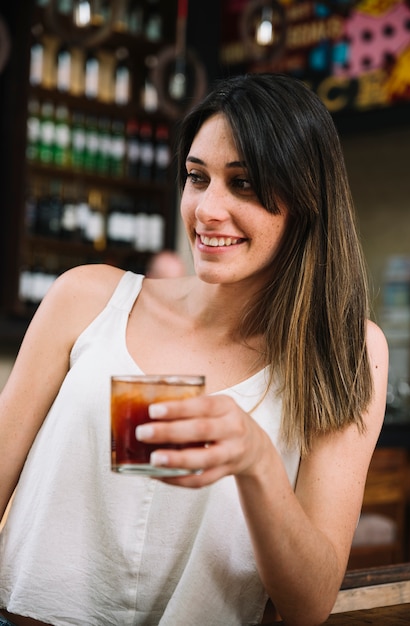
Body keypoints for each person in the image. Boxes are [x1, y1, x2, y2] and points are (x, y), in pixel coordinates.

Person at [0, 73, 388, 626]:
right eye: (197, 177)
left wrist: (256, 463)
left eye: (244, 183)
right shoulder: (86, 298)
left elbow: (310, 604)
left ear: (306, 200)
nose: (207, 209)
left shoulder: (345, 348)